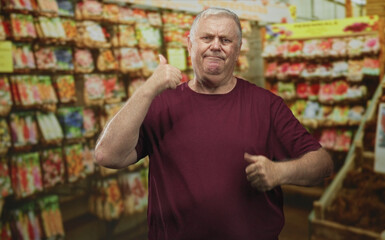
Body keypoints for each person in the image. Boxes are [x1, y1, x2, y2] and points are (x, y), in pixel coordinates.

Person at [95, 7, 333, 240]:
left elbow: (322, 164)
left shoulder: (266, 105)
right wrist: (148, 89)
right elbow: (107, 155)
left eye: (226, 40)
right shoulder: (162, 103)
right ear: (190, 45)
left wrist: (280, 172)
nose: (216, 46)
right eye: (207, 37)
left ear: (238, 49)